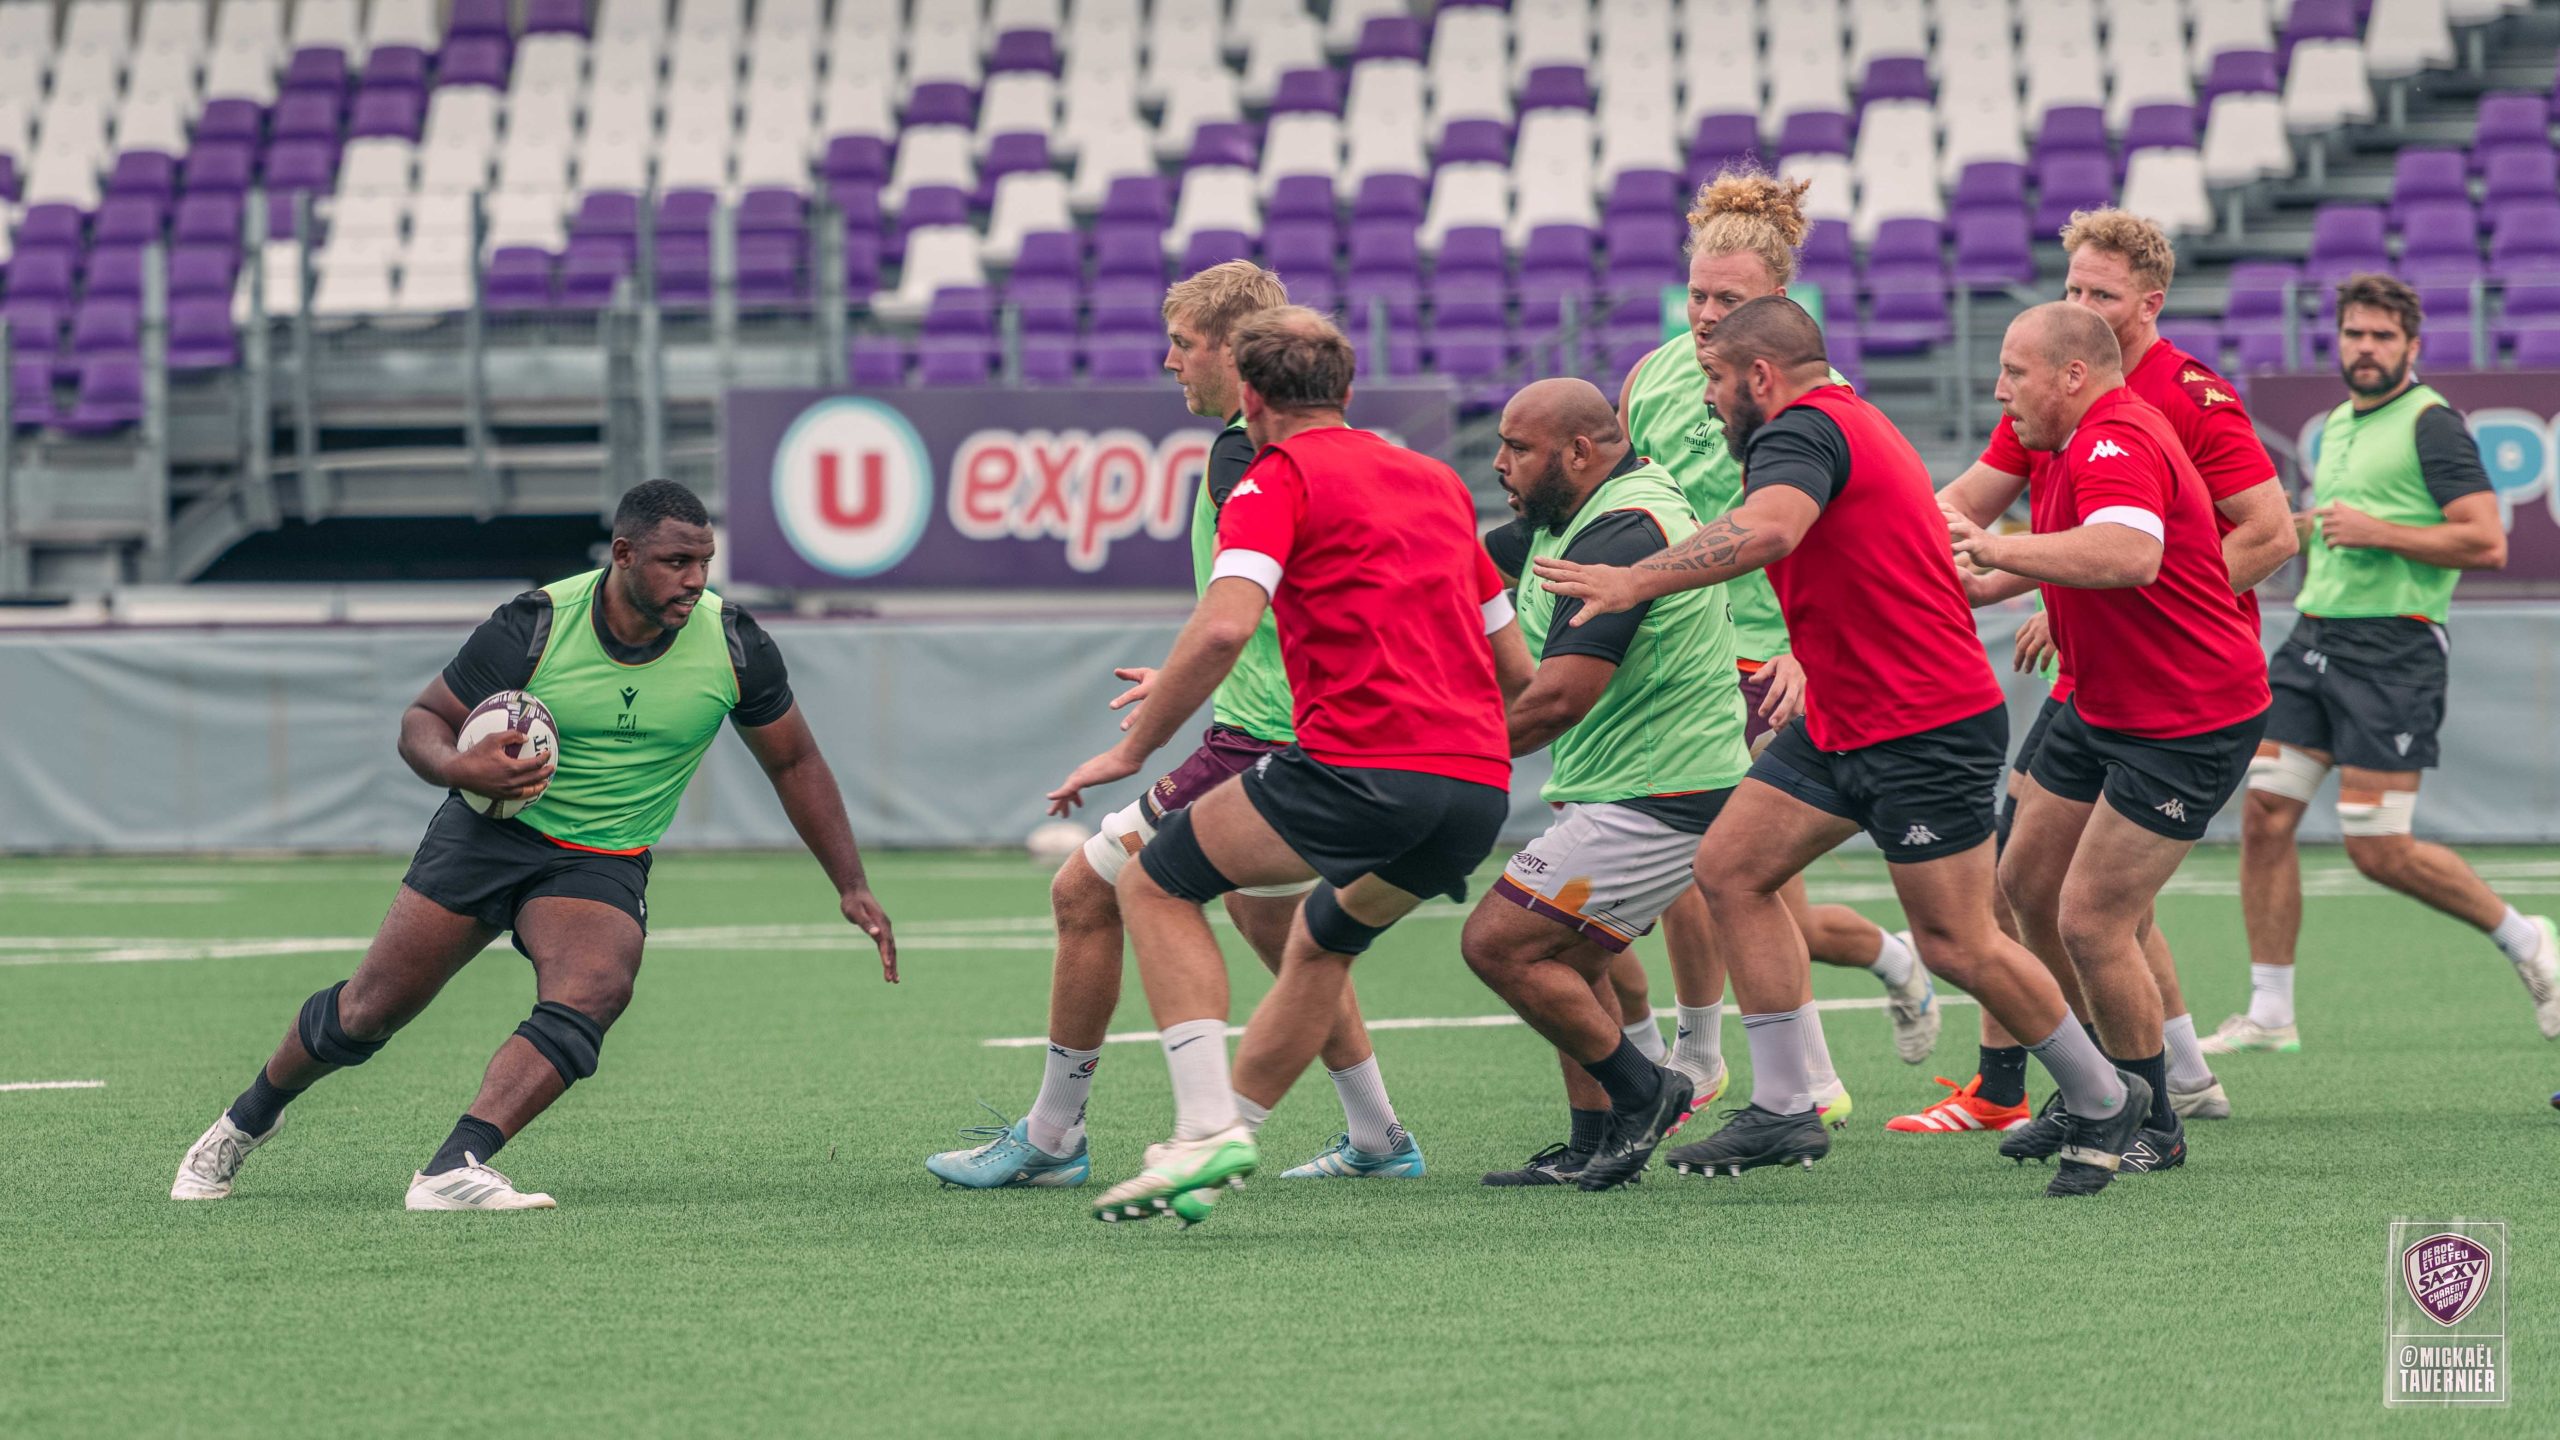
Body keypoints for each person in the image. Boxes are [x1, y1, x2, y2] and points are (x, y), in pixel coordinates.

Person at [1537, 297, 2150, 1198]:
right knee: (1733, 867)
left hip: (1922, 724)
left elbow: (1773, 530)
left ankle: (2104, 1094)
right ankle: (1787, 1102)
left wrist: (1634, 579)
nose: (1705, 399)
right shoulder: (1846, 421)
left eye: (1714, 379)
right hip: (1848, 716)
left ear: (1759, 377)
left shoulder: (1800, 430)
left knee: (1958, 942)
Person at [172, 481, 898, 1211]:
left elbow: (794, 762)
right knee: (368, 1012)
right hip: (488, 833)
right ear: (624, 555)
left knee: (599, 986)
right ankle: (247, 1119)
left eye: (704, 561)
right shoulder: (536, 625)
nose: (695, 580)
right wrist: (461, 766)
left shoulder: (735, 643)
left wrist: (851, 883)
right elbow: (422, 720)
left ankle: (456, 1165)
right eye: (677, 561)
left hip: (602, 858)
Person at [926, 263, 1423, 1190]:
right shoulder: (1353, 456)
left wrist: (1144, 735)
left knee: (1089, 889)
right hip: (1315, 728)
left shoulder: (1250, 455)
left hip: (1264, 739)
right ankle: (1380, 1136)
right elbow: (1303, 601)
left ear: (1238, 358)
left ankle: (1057, 1137)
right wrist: (1198, 670)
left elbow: (1237, 614)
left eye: (1184, 344)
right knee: (1283, 932)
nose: (1169, 362)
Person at [1047, 308, 1530, 1224]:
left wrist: (1133, 746)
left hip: (1360, 768)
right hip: (1475, 790)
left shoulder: (1274, 478)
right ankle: (1252, 1127)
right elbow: (1516, 670)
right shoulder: (1434, 480)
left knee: (1152, 884)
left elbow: (1225, 624)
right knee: (1318, 946)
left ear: (1254, 396)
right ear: (1347, 392)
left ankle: (1199, 1133)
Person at [1908, 208, 2295, 1134]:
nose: (2076, 300)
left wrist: (2082, 584)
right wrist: (1896, 548)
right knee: (2029, 889)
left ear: (2147, 305)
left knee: (2097, 911)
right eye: (2073, 285)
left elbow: (2258, 537)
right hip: (2102, 681)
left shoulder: (2173, 402)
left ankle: (2140, 1103)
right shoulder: (2052, 392)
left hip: (2181, 691)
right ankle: (2113, 1088)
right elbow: (1973, 507)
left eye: (2099, 294)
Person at [2226, 272, 2558, 1054]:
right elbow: (2335, 524)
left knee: (2378, 849)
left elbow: (2486, 539)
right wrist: (2284, 532)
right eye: (2353, 334)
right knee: (2265, 814)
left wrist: (2379, 532)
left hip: (2394, 647)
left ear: (2411, 346)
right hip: (2314, 639)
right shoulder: (2337, 424)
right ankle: (2270, 1009)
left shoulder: (2432, 423)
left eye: (2381, 337)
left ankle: (2526, 938)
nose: (2365, 348)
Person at [1461, 379, 1751, 1189]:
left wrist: (1443, 759)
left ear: (1580, 452)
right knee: (1567, 956)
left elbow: (1559, 698)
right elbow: (1473, 565)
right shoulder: (1595, 517)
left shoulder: (1620, 533)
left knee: (1498, 943)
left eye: (1518, 448)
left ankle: (1647, 1090)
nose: (1500, 464)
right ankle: (1594, 1141)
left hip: (1660, 790)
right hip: (1649, 782)